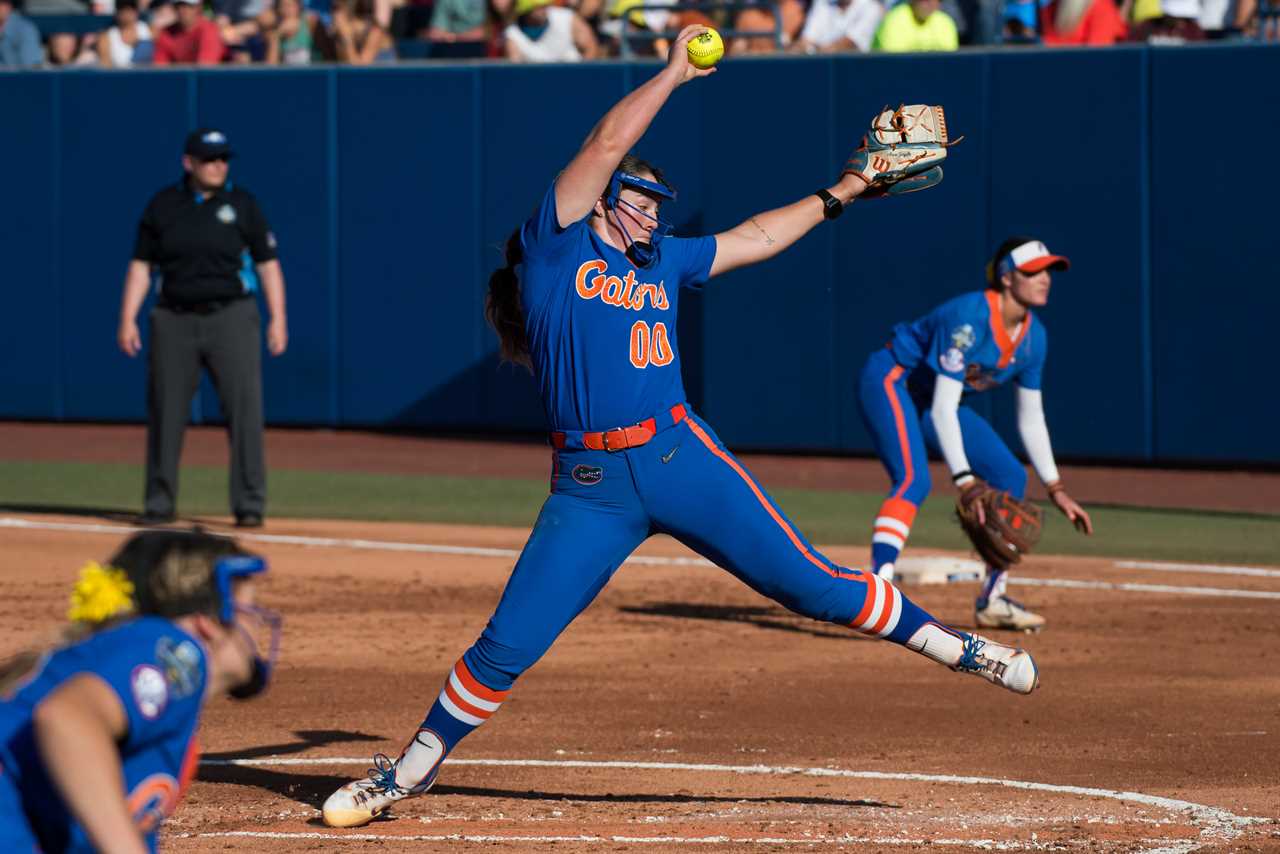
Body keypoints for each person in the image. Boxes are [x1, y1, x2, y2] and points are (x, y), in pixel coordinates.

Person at [321, 34, 1039, 830]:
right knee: (507, 642)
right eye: (638, 196)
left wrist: (845, 188)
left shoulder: (661, 260)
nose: (652, 212)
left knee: (811, 586)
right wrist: (673, 73)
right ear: (600, 199)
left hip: (679, 456)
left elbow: (758, 236)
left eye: (660, 201)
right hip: (588, 492)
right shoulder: (553, 251)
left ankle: (959, 648)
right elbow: (607, 142)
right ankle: (407, 774)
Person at [856, 236, 1094, 632]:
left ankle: (993, 599)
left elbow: (1031, 419)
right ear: (1006, 278)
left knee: (1011, 477)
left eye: (1049, 270)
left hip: (935, 399)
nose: (1045, 279)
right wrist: (964, 479)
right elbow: (945, 409)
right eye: (1033, 271)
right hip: (892, 380)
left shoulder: (1035, 339)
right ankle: (877, 594)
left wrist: (1055, 487)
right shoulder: (969, 318)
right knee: (914, 480)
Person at [0, 529, 281, 853]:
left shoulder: (159, 710)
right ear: (207, 622)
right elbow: (66, 718)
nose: (258, 623)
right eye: (248, 609)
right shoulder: (174, 651)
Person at [116, 129, 289, 529]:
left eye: (223, 159)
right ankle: (159, 502)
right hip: (174, 317)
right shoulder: (163, 206)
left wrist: (278, 317)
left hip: (231, 316)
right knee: (166, 411)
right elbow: (142, 266)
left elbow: (268, 264)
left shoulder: (243, 205)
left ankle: (249, 504)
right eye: (209, 159)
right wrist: (127, 317)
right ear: (188, 163)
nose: (218, 166)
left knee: (245, 411)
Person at [504, 0, 598, 61]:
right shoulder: (513, 34)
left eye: (545, 5)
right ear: (526, 9)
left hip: (573, 79)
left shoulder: (566, 17)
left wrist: (583, 75)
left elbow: (590, 47)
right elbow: (516, 65)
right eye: (539, 7)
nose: (544, 10)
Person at [788, 0, 886, 53]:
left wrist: (811, 50)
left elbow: (848, 43)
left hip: (854, 72)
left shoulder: (871, 7)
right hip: (820, 70)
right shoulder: (822, 3)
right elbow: (806, 40)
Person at [153, 0, 227, 64]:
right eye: (178, 6)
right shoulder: (166, 33)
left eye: (188, 6)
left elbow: (206, 69)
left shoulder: (210, 30)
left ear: (198, 7)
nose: (182, 10)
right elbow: (160, 67)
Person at [872, 0, 960, 50]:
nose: (927, 2)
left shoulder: (946, 23)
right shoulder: (894, 20)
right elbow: (892, 65)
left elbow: (949, 64)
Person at [97, 0, 155, 68]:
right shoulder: (106, 37)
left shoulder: (151, 31)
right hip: (119, 77)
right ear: (117, 12)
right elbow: (105, 66)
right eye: (122, 10)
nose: (126, 13)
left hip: (148, 77)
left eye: (130, 9)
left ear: (136, 11)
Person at [0, 0, 44, 67]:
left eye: (2, 3)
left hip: (17, 76)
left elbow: (29, 67)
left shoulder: (26, 29)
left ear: (9, 6)